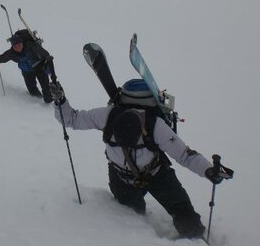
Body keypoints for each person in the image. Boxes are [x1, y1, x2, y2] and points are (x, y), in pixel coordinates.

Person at [49, 79, 229, 239]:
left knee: (189, 223)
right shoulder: (107, 116)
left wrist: (208, 170)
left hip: (156, 174)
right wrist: (60, 101)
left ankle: (193, 235)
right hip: (121, 178)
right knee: (131, 214)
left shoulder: (156, 126)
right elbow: (72, 119)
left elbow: (184, 155)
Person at [0, 29, 53, 103]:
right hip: (27, 73)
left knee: (48, 97)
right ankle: (38, 105)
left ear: (22, 43)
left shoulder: (31, 47)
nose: (18, 48)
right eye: (15, 46)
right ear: (12, 46)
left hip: (39, 69)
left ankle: (51, 103)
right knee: (33, 93)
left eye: (19, 45)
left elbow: (46, 55)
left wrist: (48, 67)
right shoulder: (12, 53)